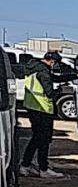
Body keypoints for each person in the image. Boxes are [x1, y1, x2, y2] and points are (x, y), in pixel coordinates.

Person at [20, 50, 65, 179]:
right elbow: (50, 92)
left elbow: (55, 78)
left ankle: (25, 165)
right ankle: (43, 169)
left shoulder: (34, 67)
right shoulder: (43, 72)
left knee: (36, 138)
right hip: (43, 109)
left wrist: (75, 75)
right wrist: (59, 91)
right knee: (44, 140)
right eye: (55, 63)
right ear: (52, 61)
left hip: (32, 107)